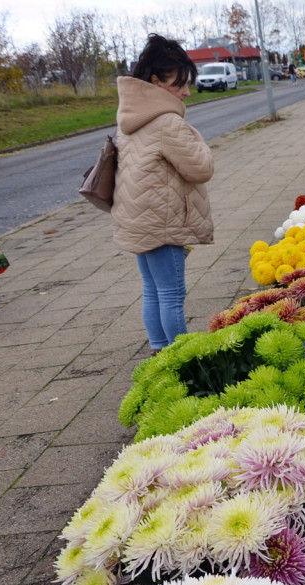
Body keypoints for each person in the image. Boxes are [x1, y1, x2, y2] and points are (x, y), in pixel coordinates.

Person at [112, 34, 214, 354]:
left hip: (137, 217)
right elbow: (201, 168)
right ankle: (183, 361)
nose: (186, 91)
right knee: (171, 294)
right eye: (179, 84)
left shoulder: (130, 116)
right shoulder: (167, 122)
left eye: (188, 83)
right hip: (162, 221)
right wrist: (197, 138)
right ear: (156, 81)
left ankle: (159, 352)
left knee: (153, 291)